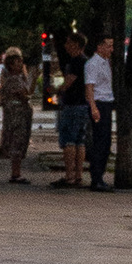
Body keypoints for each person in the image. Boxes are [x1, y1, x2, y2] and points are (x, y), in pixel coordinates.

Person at [52, 46, 91, 187]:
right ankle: (78, 175)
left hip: (73, 104)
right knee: (80, 141)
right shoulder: (87, 61)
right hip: (83, 104)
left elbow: (69, 81)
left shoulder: (76, 62)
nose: (66, 45)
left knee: (69, 140)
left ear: (76, 44)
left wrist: (58, 90)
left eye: (69, 42)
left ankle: (69, 176)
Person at [0, 44, 35, 181]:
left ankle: (16, 172)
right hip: (17, 116)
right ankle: (16, 173)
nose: (20, 64)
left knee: (16, 142)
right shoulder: (14, 79)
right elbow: (26, 94)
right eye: (18, 62)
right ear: (11, 65)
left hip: (15, 115)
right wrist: (32, 78)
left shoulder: (12, 78)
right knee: (18, 142)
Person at [83, 34, 116, 188]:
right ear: (99, 46)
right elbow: (89, 86)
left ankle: (99, 176)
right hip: (99, 103)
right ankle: (96, 178)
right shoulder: (93, 64)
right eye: (108, 46)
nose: (111, 49)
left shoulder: (106, 62)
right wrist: (93, 107)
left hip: (107, 103)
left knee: (105, 141)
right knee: (100, 141)